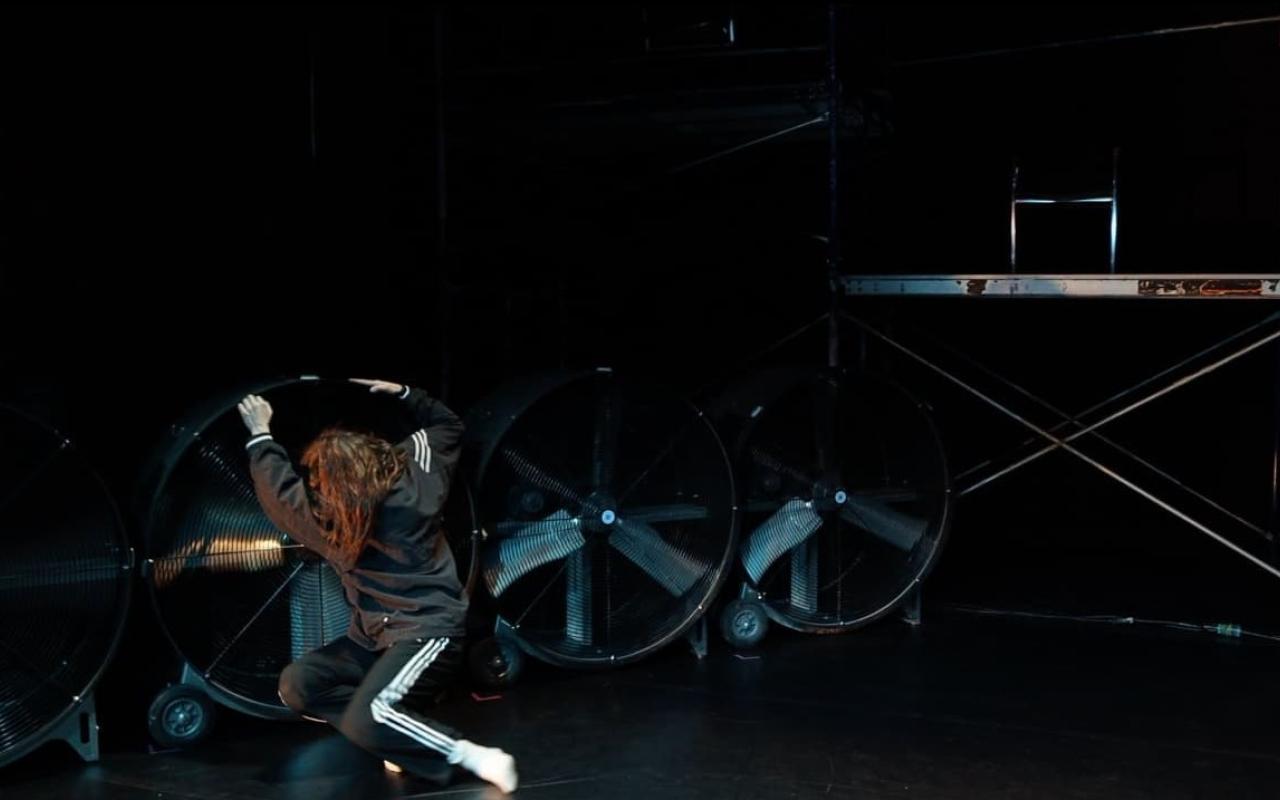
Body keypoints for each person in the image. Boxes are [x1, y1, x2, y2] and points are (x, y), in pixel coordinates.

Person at [236, 378, 517, 794]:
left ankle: (470, 754)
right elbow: (447, 427)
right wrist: (407, 393)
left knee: (365, 717)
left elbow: (277, 492)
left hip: (427, 631)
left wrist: (260, 432)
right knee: (298, 684)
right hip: (373, 637)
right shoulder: (418, 475)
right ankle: (392, 733)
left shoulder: (328, 521)